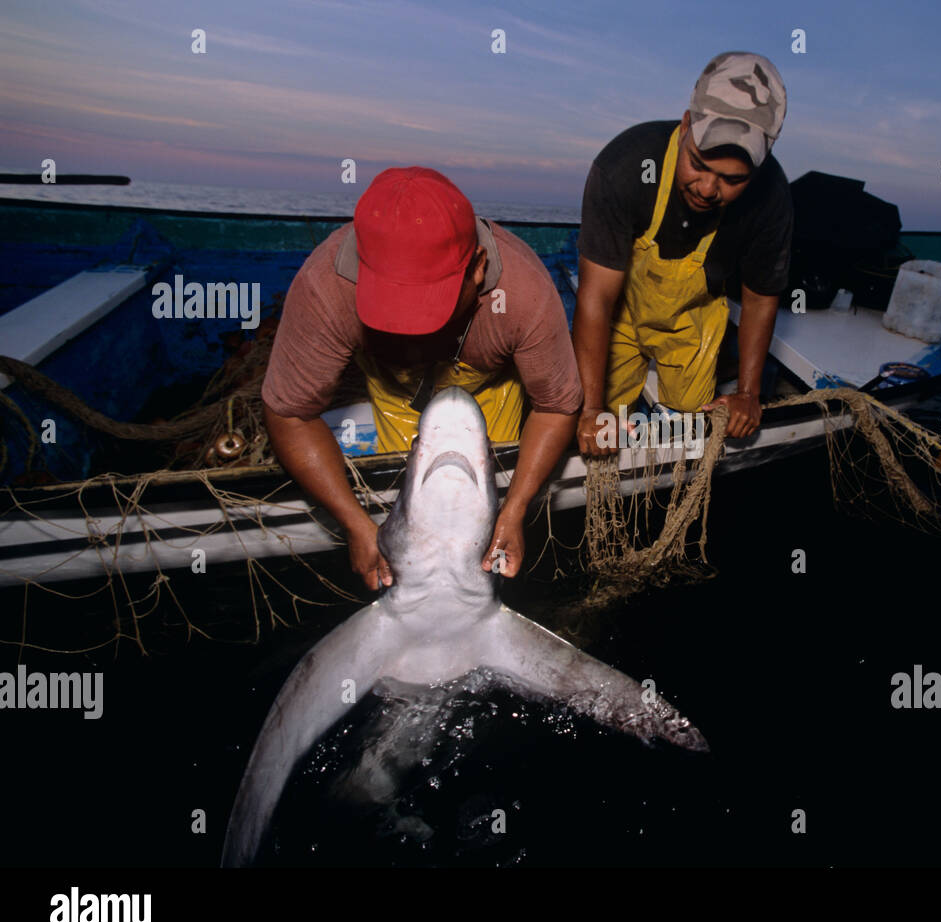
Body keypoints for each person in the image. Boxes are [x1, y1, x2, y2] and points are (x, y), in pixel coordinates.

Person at [261, 166, 582, 589]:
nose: (412, 334)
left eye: (430, 309)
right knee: (410, 522)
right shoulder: (327, 287)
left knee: (482, 524)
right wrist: (354, 524)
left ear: (478, 268)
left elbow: (557, 405)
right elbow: (289, 414)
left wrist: (516, 509)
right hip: (394, 391)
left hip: (490, 389)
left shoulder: (524, 295)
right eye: (390, 311)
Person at [572, 51, 792, 455]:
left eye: (732, 179)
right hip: (619, 311)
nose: (708, 189)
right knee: (606, 424)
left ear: (759, 169)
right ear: (686, 123)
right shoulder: (624, 166)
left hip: (692, 320)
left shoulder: (772, 199)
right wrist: (590, 408)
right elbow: (596, 298)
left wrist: (748, 392)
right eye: (697, 164)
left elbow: (761, 297)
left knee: (687, 433)